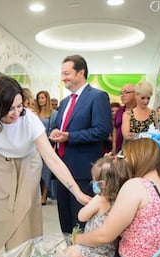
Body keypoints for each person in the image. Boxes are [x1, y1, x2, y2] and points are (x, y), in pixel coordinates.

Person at [0, 76, 90, 257]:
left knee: (24, 221)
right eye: (10, 108)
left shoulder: (30, 120)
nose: (16, 112)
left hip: (28, 164)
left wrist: (77, 191)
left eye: (19, 105)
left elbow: (52, 159)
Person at [50, 54, 112, 234]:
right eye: (62, 74)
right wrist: (54, 132)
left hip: (83, 170)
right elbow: (58, 127)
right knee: (65, 220)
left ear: (81, 72)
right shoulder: (64, 102)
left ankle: (82, 256)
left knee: (82, 220)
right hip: (62, 169)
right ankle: (69, 255)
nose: (63, 78)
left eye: (67, 73)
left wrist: (70, 137)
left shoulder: (97, 96)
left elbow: (101, 130)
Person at [58, 156, 131, 257]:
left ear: (102, 184)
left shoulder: (101, 199)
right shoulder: (121, 200)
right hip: (110, 251)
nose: (92, 183)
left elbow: (81, 216)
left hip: (91, 248)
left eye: (94, 180)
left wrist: (89, 205)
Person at [34, 90, 58, 204]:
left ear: (46, 99)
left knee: (47, 171)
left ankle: (44, 196)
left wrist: (53, 146)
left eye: (42, 98)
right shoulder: (35, 113)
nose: (40, 100)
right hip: (34, 146)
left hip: (48, 144)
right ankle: (37, 195)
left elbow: (55, 129)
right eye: (39, 98)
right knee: (36, 171)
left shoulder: (53, 114)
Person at [112, 84, 136, 154]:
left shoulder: (139, 111)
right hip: (118, 150)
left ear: (135, 94)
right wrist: (114, 147)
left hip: (133, 150)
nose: (122, 95)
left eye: (126, 92)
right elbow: (115, 129)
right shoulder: (120, 110)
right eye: (121, 93)